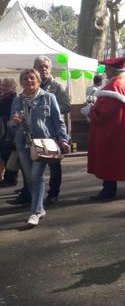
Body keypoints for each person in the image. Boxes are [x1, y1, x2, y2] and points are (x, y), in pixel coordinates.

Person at [9, 68, 70, 226]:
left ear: (38, 80)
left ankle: (35, 212)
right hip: (23, 143)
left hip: (43, 143)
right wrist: (14, 122)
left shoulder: (48, 98)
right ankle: (40, 207)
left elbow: (58, 120)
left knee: (36, 176)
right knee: (29, 178)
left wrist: (63, 139)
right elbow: (10, 123)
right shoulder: (18, 100)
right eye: (25, 79)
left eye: (32, 78)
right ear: (21, 82)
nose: (28, 81)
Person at [83, 57, 125, 200]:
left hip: (111, 130)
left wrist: (90, 111)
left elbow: (104, 112)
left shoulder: (112, 87)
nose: (105, 72)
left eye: (106, 69)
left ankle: (109, 190)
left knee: (108, 158)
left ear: (112, 70)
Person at [34, 55, 70, 206]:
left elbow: (67, 106)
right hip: (35, 133)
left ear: (50, 69)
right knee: (34, 165)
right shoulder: (33, 85)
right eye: (40, 66)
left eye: (46, 67)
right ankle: (28, 193)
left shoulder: (58, 86)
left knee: (54, 165)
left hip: (53, 132)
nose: (43, 69)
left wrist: (48, 110)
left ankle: (53, 193)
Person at [0, 78, 19, 188]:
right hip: (4, 129)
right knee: (5, 154)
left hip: (9, 130)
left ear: (13, 86)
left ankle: (10, 178)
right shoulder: (5, 96)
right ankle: (8, 178)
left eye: (6, 85)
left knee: (8, 154)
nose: (4, 87)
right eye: (3, 85)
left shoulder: (12, 97)